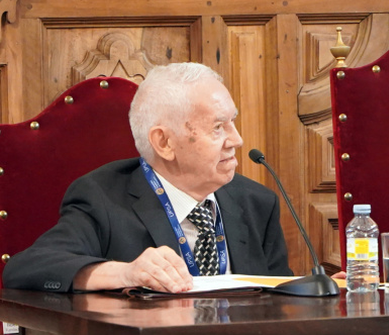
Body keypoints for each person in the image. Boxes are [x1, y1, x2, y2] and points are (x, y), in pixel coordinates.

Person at [3, 63, 292, 293]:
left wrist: (318, 292)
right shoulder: (103, 199)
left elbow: (278, 298)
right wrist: (124, 272)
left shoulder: (256, 203)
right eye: (218, 127)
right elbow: (26, 268)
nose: (237, 140)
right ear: (164, 143)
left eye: (233, 122)